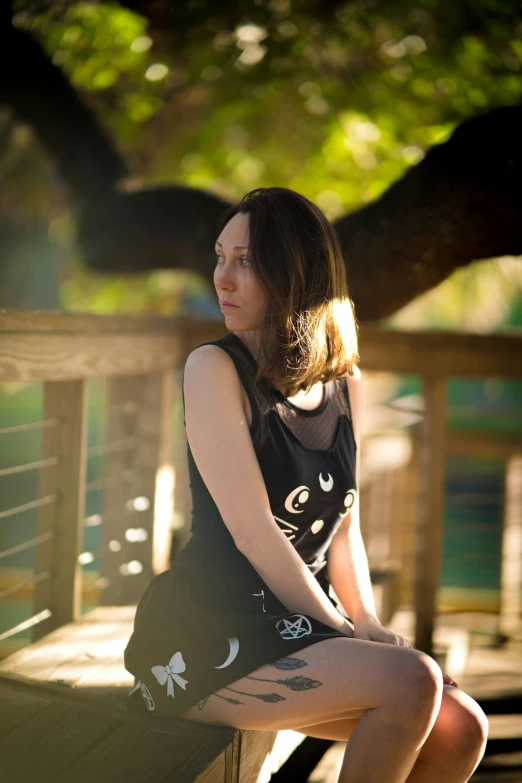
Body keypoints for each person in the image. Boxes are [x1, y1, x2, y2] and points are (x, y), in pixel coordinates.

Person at [123, 187, 488, 782]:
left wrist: (366, 621)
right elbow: (253, 531)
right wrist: (340, 629)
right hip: (212, 633)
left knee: (462, 728)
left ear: (295, 273)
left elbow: (345, 528)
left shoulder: (346, 385)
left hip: (300, 628)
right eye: (220, 257)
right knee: (412, 680)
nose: (223, 278)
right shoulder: (213, 369)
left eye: (246, 261)